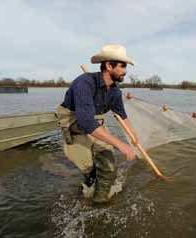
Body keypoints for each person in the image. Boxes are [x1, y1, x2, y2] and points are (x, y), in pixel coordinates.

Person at [56, 44, 139, 203]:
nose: (125, 71)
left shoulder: (115, 91)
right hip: (74, 123)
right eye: (122, 66)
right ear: (109, 66)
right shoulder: (84, 83)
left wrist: (133, 136)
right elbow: (86, 122)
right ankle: (86, 195)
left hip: (94, 125)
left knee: (108, 167)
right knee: (90, 171)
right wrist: (122, 145)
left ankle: (99, 203)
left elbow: (122, 115)